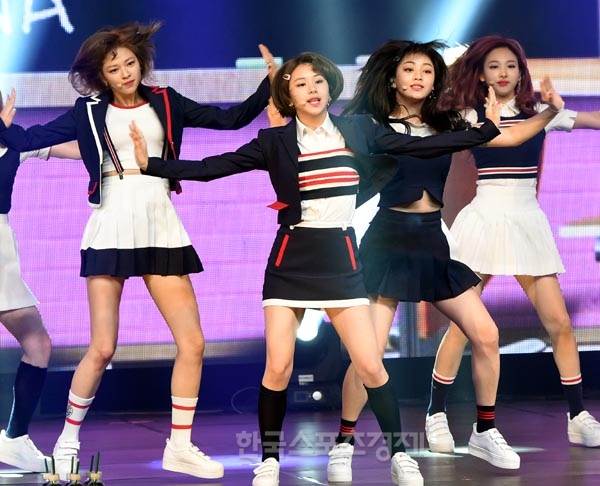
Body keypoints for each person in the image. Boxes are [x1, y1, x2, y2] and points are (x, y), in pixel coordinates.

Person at [127, 50, 555, 486]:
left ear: (330, 88)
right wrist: (151, 165)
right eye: (301, 84)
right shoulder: (274, 141)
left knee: (371, 365)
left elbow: (420, 145)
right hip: (292, 258)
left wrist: (485, 130)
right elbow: (211, 168)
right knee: (278, 367)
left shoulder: (358, 129)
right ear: (289, 97)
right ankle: (270, 460)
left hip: (341, 257)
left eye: (318, 82)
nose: (312, 90)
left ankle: (399, 455)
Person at [0, 21, 276, 480]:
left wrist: (269, 84)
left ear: (141, 63)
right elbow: (27, 141)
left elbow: (229, 119)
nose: (125, 73)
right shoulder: (88, 111)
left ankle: (180, 446)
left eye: (130, 63)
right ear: (100, 76)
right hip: (111, 222)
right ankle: (67, 443)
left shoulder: (166, 100)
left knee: (193, 341)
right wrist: (4, 126)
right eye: (114, 68)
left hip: (160, 221)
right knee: (102, 347)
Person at [318, 40, 565, 480]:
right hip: (388, 242)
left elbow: (508, 136)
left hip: (433, 243)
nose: (418, 76)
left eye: (427, 71)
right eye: (410, 69)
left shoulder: (449, 122)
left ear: (436, 83)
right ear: (393, 78)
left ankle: (484, 431)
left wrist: (549, 112)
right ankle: (344, 441)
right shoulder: (371, 124)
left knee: (486, 334)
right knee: (368, 355)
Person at [427, 34, 600, 453]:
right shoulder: (468, 117)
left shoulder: (541, 112)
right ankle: (436, 414)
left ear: (521, 72)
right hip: (484, 221)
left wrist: (554, 110)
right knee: (463, 326)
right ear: (481, 74)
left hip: (527, 223)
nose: (503, 73)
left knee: (559, 323)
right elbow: (506, 140)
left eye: (511, 65)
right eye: (494, 66)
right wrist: (550, 113)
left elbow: (593, 120)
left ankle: (577, 417)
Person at [0, 141, 79, 474]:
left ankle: (15, 438)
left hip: (2, 253)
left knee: (38, 344)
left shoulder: (15, 144)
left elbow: (78, 148)